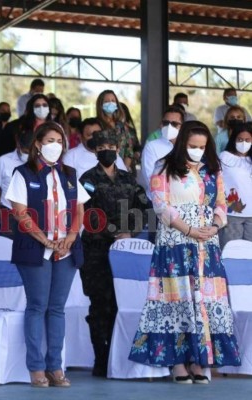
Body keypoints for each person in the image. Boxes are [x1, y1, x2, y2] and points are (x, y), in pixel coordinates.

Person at [129, 120, 241, 383]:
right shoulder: (164, 167)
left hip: (207, 245)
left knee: (206, 302)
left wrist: (214, 226)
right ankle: (178, 363)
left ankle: (201, 361)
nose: (197, 151)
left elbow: (223, 204)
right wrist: (189, 230)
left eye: (202, 147)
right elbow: (161, 206)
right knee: (177, 301)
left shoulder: (213, 170)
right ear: (182, 144)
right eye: (192, 146)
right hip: (175, 243)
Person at [5, 121, 88, 388]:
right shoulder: (23, 173)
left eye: (60, 141)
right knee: (37, 306)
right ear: (38, 144)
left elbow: (79, 210)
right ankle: (36, 368)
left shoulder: (70, 174)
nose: (56, 146)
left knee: (57, 308)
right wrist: (44, 239)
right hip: (35, 248)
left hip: (66, 249)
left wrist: (71, 237)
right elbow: (20, 212)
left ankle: (55, 367)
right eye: (50, 140)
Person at [78, 130, 151, 377]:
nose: (106, 150)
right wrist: (112, 230)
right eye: (101, 146)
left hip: (125, 251)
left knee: (122, 304)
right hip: (96, 250)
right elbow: (87, 211)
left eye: (110, 145)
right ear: (94, 150)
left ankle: (119, 357)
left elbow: (145, 207)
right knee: (100, 305)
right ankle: (101, 358)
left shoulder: (128, 178)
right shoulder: (87, 178)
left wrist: (130, 232)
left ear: (117, 148)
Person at [0, 130, 32, 236]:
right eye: (25, 151)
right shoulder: (2, 161)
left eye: (31, 151)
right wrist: (3, 205)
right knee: (8, 247)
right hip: (9, 214)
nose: (28, 155)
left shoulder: (39, 162)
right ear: (18, 144)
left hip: (34, 214)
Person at [219, 122, 252, 248]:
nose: (243, 143)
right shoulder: (224, 157)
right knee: (230, 251)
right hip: (232, 213)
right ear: (234, 140)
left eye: (247, 140)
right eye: (240, 139)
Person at [141, 106, 185, 197]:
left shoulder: (187, 147)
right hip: (156, 201)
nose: (169, 127)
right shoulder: (152, 146)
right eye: (166, 123)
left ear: (182, 126)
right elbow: (149, 177)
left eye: (174, 124)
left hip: (182, 201)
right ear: (161, 124)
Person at [63, 117, 128, 178]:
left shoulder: (111, 153)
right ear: (80, 137)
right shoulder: (71, 156)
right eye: (89, 135)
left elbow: (125, 177)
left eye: (98, 133)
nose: (94, 137)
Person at [95, 89, 136, 170]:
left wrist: (124, 169)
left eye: (113, 100)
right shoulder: (97, 125)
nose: (110, 103)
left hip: (121, 170)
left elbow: (129, 151)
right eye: (106, 101)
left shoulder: (122, 126)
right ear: (100, 104)